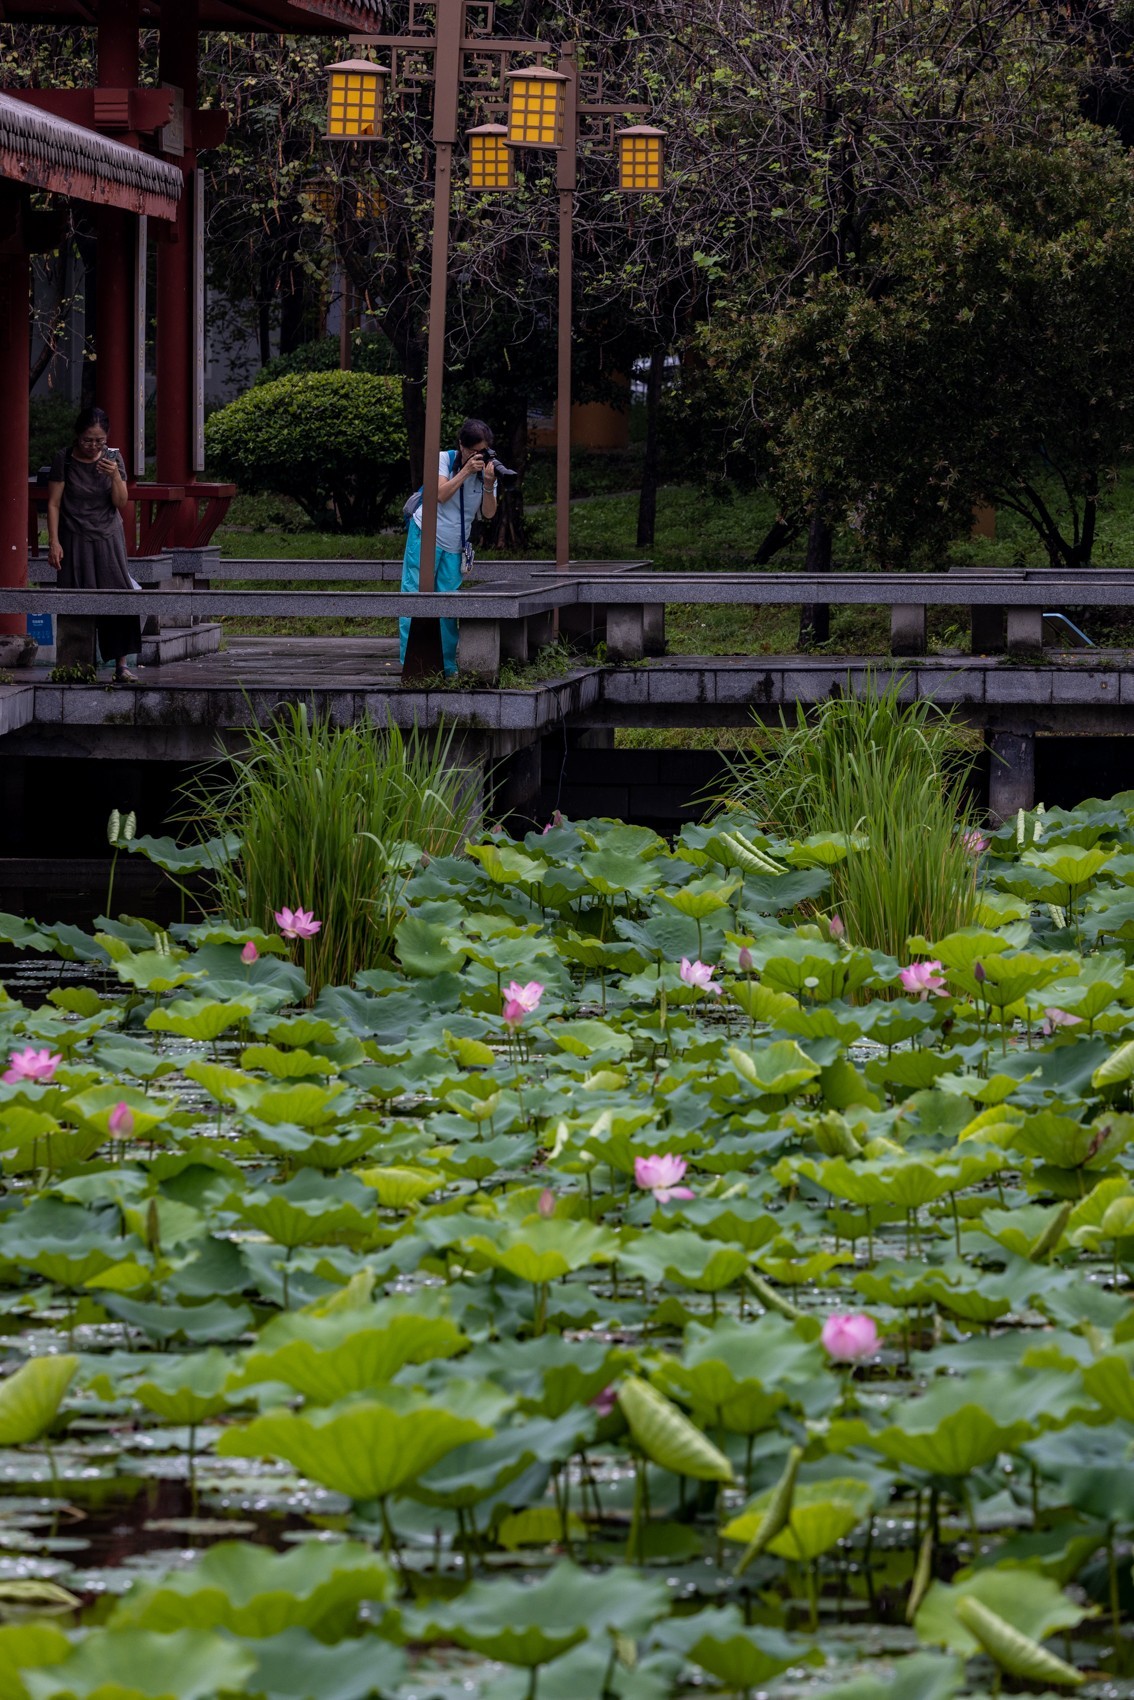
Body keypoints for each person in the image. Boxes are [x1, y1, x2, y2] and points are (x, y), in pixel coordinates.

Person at [46, 407, 141, 683]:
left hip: (108, 537)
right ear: (78, 436)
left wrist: (113, 476)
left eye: (99, 441)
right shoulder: (64, 460)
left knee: (118, 594)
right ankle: (75, 664)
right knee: (76, 594)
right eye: (88, 440)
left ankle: (121, 665)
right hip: (74, 536)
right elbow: (53, 503)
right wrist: (53, 541)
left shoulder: (114, 458)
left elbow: (121, 502)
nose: (93, 446)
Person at [399, 417, 498, 676]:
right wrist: (465, 471)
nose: (478, 457)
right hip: (426, 536)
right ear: (462, 447)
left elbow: (488, 514)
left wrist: (488, 485)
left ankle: (446, 666)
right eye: (473, 451)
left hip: (456, 545)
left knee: (448, 606)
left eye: (483, 451)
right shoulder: (444, 458)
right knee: (414, 597)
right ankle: (410, 664)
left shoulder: (487, 469)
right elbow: (440, 495)